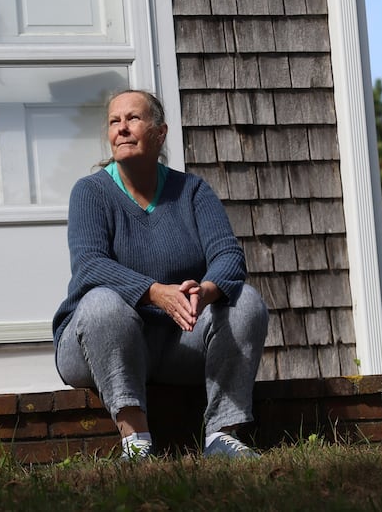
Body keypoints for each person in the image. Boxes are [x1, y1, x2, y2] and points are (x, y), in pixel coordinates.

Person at [52, 89, 269, 460]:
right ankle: (136, 441)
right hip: (97, 341)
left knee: (244, 300)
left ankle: (223, 436)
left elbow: (228, 255)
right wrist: (154, 292)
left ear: (160, 132)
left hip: (175, 344)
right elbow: (90, 265)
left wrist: (206, 290)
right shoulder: (90, 192)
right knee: (103, 301)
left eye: (133, 118)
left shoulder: (193, 191)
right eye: (114, 121)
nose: (122, 128)